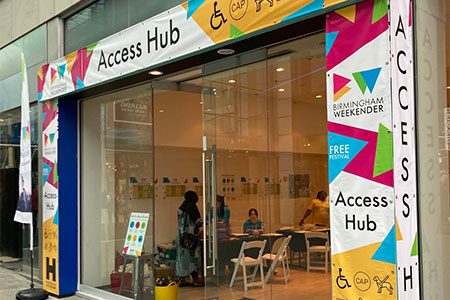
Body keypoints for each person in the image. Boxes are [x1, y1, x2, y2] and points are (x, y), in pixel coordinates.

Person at [176, 190, 204, 287]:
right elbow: (198, 222)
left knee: (182, 258)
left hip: (181, 236)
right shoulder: (192, 207)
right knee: (193, 258)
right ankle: (195, 279)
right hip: (191, 236)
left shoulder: (181, 207)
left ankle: (181, 278)